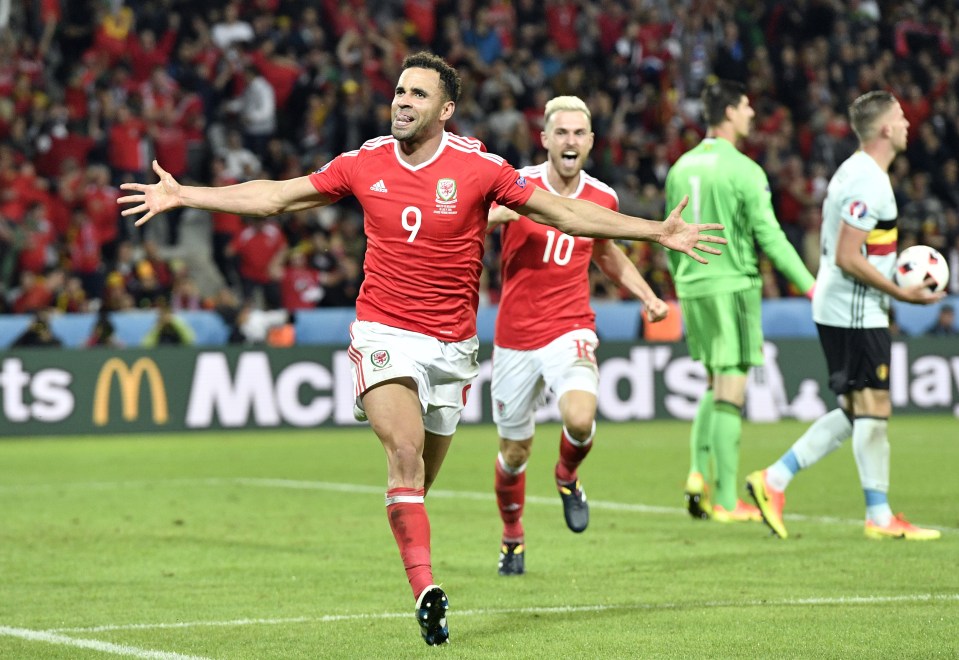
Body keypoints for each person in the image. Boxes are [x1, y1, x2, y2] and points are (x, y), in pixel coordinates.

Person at [118, 52, 726, 646]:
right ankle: (427, 593)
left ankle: (439, 531)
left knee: (417, 484)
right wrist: (188, 195)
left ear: (446, 110)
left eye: (417, 95)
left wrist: (656, 231)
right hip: (383, 332)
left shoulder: (479, 169)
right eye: (400, 92)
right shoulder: (365, 162)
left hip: (452, 347)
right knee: (404, 454)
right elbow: (278, 195)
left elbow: (565, 213)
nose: (402, 102)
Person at [745, 90, 944, 541]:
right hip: (854, 311)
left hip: (849, 308)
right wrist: (900, 294)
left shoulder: (858, 172)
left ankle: (773, 481)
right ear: (885, 129)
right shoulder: (867, 182)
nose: (909, 123)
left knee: (858, 408)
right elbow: (849, 256)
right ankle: (878, 516)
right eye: (901, 116)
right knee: (874, 406)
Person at [488, 95, 670, 577]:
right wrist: (495, 214)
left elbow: (607, 254)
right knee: (513, 453)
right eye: (561, 132)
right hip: (514, 338)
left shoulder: (602, 198)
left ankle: (567, 475)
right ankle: (512, 537)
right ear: (545, 139)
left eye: (579, 133)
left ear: (590, 142)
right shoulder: (515, 186)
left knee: (581, 418)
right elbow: (466, 219)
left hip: (570, 326)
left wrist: (647, 295)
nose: (570, 140)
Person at [664, 80, 816, 524]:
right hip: (731, 285)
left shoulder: (680, 167)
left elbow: (669, 237)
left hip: (693, 287)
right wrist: (809, 285)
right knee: (732, 390)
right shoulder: (744, 169)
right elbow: (770, 235)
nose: (752, 114)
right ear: (729, 112)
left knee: (714, 384)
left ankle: (697, 474)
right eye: (747, 106)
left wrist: (680, 283)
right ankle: (729, 500)